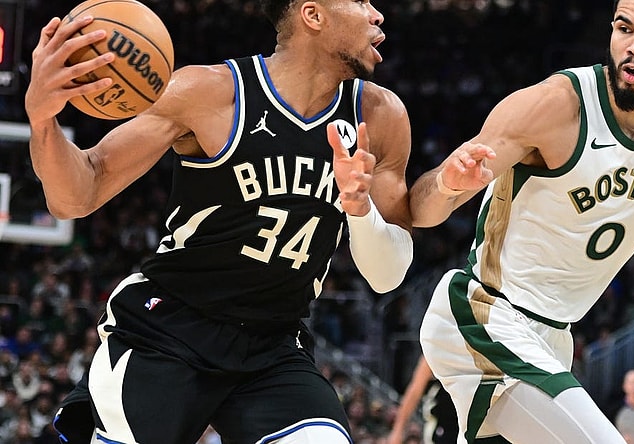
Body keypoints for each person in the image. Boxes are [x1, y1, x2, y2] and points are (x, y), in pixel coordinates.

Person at [24, 0, 414, 443]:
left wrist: (360, 209)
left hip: (274, 341)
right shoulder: (206, 93)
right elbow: (78, 194)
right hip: (170, 330)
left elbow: (388, 277)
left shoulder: (381, 117)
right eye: (361, 1)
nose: (377, 13)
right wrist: (42, 121)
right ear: (314, 15)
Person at [409, 1, 634, 443]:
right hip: (487, 314)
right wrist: (449, 185)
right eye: (625, 28)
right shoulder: (554, 105)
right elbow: (422, 211)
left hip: (555, 338)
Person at [387, 355, 460, 444]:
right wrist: (398, 430)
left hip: (470, 424)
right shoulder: (437, 349)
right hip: (443, 426)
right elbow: (414, 392)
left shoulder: (476, 348)